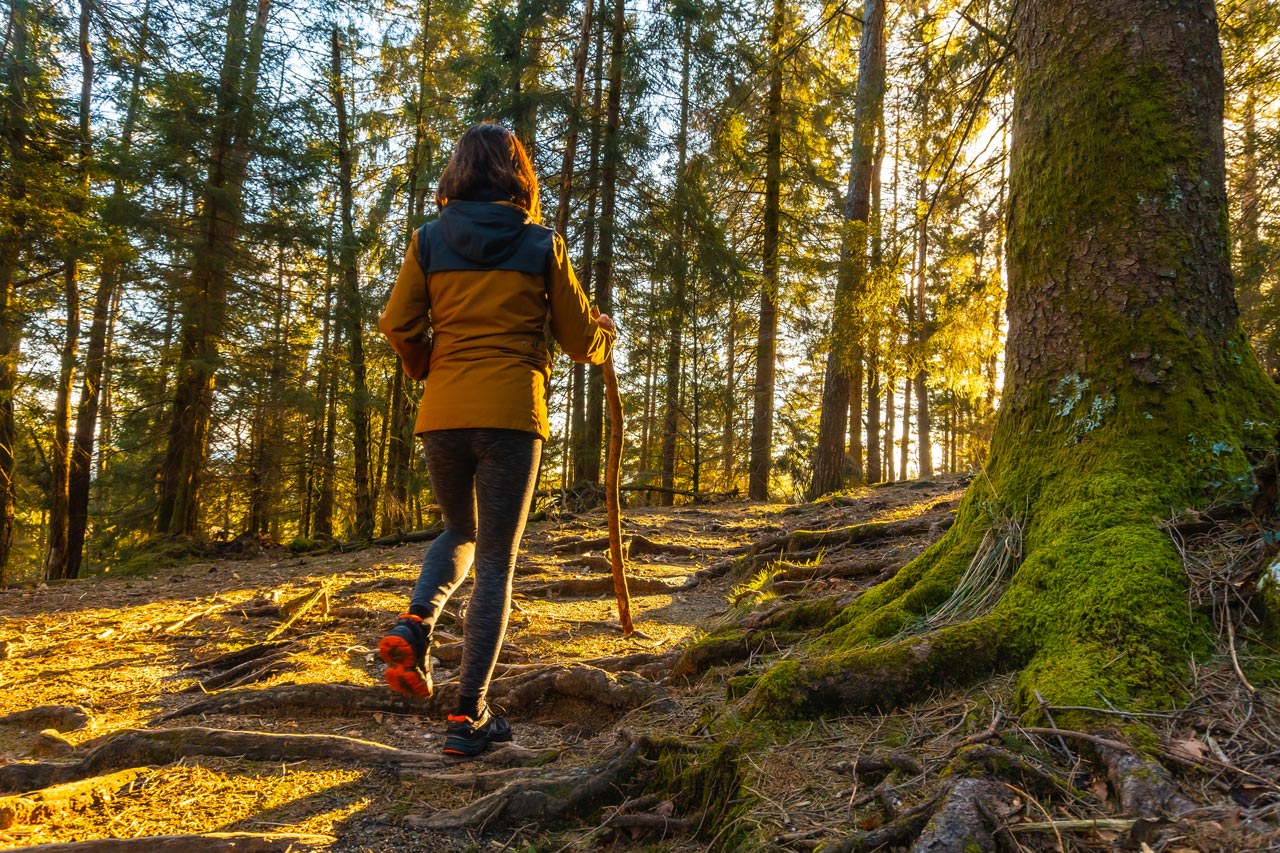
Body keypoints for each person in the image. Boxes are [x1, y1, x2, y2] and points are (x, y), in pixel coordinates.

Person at [376, 122, 616, 757]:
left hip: (444, 414)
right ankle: (468, 717)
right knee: (497, 564)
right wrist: (602, 336)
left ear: (458, 173)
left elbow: (398, 323)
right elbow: (576, 339)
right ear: (518, 175)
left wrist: (427, 365)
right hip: (511, 414)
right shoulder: (540, 244)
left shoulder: (428, 241)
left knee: (459, 532)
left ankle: (416, 622)